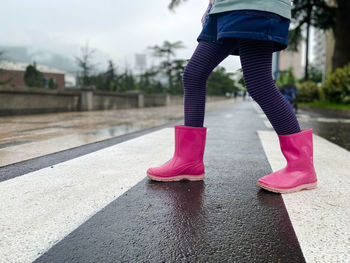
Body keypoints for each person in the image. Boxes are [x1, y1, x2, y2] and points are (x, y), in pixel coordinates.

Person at [146, 0, 317, 194]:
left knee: (259, 83)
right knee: (194, 74)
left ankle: (301, 167)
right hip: (223, 7)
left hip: (253, 6)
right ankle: (187, 161)